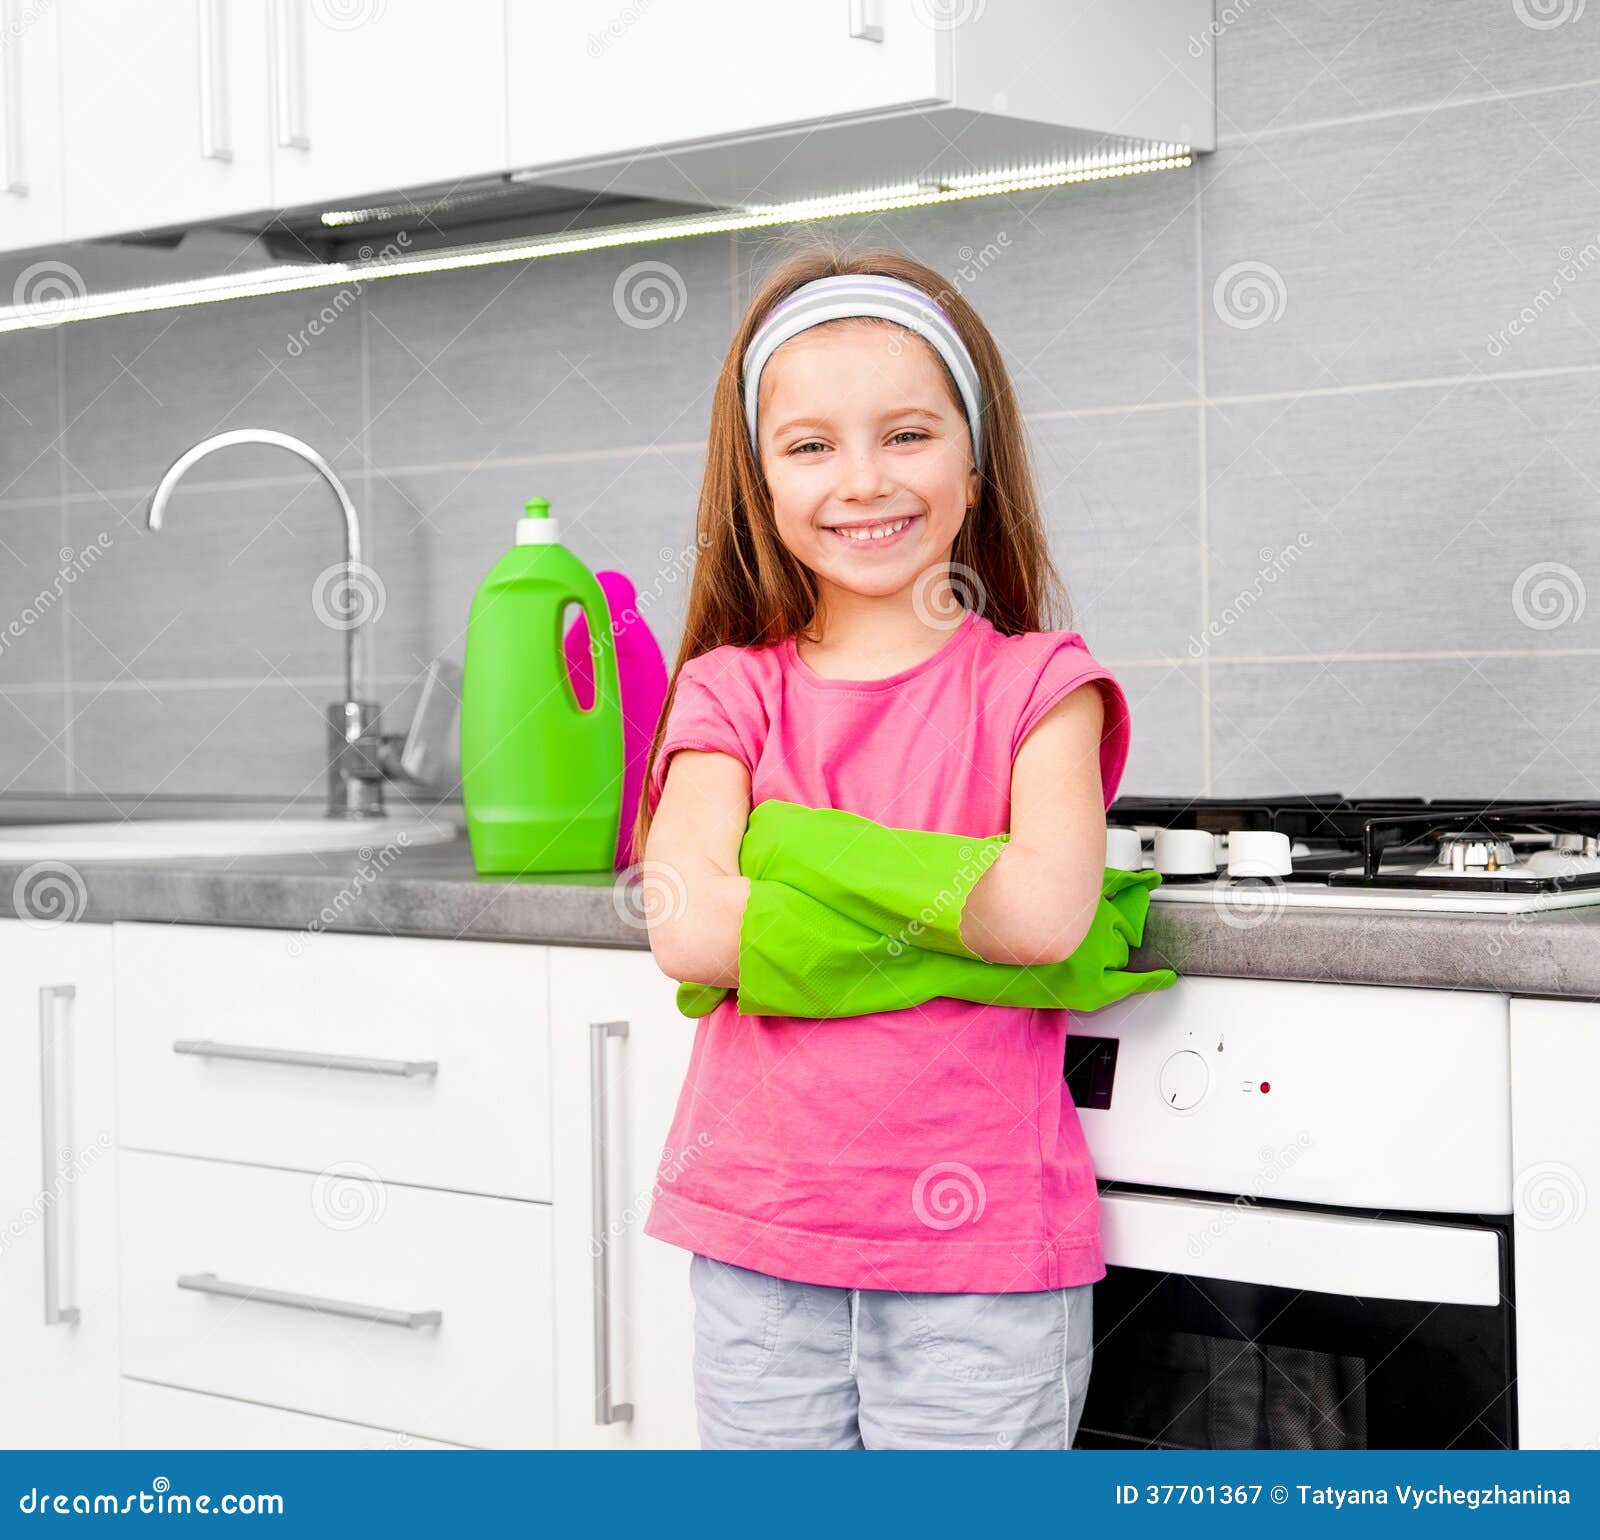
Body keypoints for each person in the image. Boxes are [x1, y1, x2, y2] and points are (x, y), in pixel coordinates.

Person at [634, 243, 1132, 1450]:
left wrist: (791, 847)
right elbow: (686, 922)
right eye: (810, 446)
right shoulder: (726, 688)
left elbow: (1042, 915)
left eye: (906, 434)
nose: (862, 479)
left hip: (983, 1259)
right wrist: (954, 922)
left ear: (975, 456)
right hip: (761, 1241)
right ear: (759, 479)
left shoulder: (1040, 685)